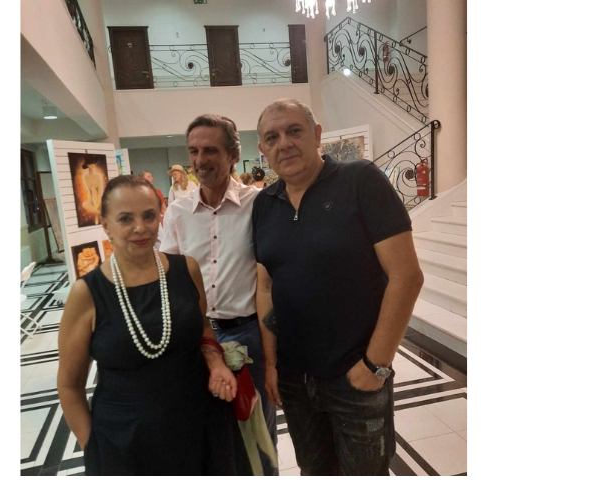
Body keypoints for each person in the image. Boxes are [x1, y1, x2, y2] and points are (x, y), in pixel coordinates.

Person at [252, 98, 424, 476]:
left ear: (316, 135)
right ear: (263, 149)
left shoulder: (360, 180)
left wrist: (375, 365)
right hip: (295, 380)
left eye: (294, 131)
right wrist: (271, 363)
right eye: (272, 137)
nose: (284, 143)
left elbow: (407, 276)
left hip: (355, 376)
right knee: (315, 474)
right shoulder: (264, 204)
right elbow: (265, 286)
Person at [57, 174, 252, 475]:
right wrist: (94, 447)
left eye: (149, 216)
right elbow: (70, 385)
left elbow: (202, 328)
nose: (140, 227)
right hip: (126, 439)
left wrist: (215, 362)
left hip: (200, 423)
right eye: (125, 218)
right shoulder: (87, 294)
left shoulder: (186, 269)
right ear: (105, 224)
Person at [161, 114, 278, 476]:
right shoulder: (178, 212)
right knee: (206, 432)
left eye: (210, 150)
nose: (200, 160)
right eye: (193, 151)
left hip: (249, 334)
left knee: (257, 435)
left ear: (233, 155)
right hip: (196, 338)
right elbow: (168, 277)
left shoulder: (258, 204)